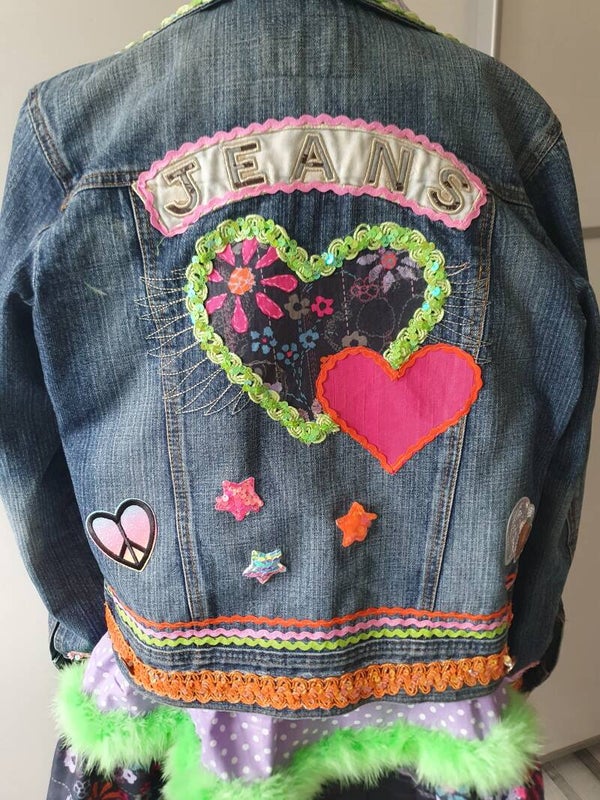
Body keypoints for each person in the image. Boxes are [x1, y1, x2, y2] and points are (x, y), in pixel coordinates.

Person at [0, 1, 598, 798]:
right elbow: (564, 425)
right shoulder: (507, 121)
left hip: (178, 697)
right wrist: (528, 636)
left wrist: (85, 628)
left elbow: (24, 436)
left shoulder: (76, 127)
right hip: (437, 701)